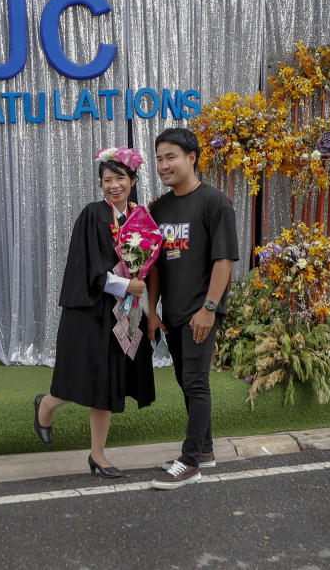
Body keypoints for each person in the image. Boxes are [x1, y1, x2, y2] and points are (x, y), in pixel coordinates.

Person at [32, 147, 156, 477]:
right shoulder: (93, 214)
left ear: (133, 179)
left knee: (109, 385)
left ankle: (98, 455)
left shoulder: (139, 218)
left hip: (122, 312)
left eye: (120, 178)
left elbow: (142, 263)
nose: (113, 185)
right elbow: (86, 268)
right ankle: (47, 404)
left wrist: (138, 284)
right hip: (91, 310)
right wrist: (124, 285)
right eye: (106, 179)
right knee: (84, 377)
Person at [146, 127, 238, 490]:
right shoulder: (158, 208)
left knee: (197, 383)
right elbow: (153, 265)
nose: (164, 165)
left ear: (191, 158)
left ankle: (189, 462)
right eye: (159, 159)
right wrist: (152, 311)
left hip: (201, 311)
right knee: (187, 383)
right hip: (172, 313)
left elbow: (224, 259)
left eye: (171, 157)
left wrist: (210, 308)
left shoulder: (215, 202)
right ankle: (205, 451)